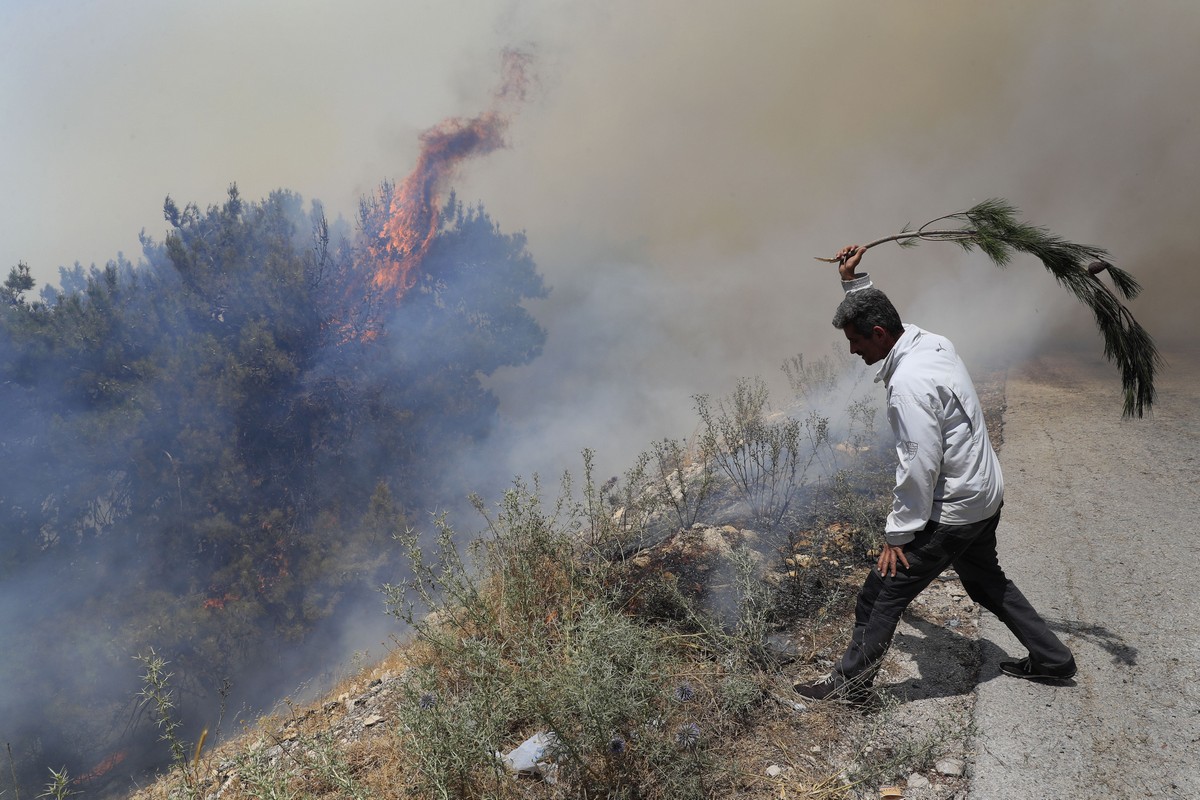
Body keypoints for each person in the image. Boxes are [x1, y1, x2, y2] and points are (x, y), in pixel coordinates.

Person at [793, 244, 1076, 704]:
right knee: (987, 583)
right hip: (984, 493)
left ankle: (850, 688)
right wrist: (853, 281)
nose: (852, 350)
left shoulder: (909, 384)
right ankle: (1053, 658)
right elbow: (881, 314)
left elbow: (918, 464)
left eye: (857, 341)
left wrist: (898, 536)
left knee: (880, 595)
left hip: (954, 509)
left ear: (880, 334)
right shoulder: (932, 341)